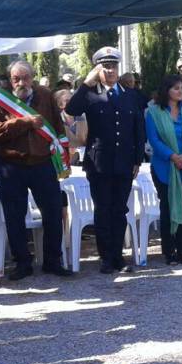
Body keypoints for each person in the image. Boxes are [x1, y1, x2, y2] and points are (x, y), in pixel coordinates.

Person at [0, 61, 71, 280]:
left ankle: (52, 261)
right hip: (11, 164)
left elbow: (57, 127)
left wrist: (63, 151)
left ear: (33, 77)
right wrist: (23, 122)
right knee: (14, 216)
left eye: (26, 78)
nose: (22, 83)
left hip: (42, 163)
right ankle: (22, 263)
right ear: (9, 79)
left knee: (52, 212)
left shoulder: (45, 94)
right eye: (16, 79)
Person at [65, 47, 146, 275]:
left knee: (120, 210)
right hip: (99, 162)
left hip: (124, 161)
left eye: (113, 66)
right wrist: (86, 84)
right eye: (105, 66)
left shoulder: (130, 94)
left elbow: (138, 129)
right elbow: (71, 109)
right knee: (103, 209)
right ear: (97, 68)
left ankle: (118, 256)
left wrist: (137, 159)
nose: (110, 70)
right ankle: (106, 258)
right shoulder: (90, 94)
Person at [146, 75, 182, 265]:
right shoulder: (153, 113)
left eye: (181, 88)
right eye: (176, 88)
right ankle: (169, 251)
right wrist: (172, 156)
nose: (180, 91)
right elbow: (154, 140)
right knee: (168, 208)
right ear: (166, 90)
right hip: (164, 167)